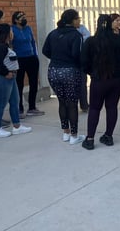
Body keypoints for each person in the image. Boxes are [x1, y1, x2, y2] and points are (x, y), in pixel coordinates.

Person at [80, 14, 120, 150]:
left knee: (94, 108)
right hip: (117, 77)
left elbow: (84, 62)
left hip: (99, 79)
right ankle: (108, 136)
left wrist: (92, 72)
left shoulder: (91, 41)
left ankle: (90, 139)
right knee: (112, 107)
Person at [42, 9, 85, 145]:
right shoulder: (76, 35)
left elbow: (45, 51)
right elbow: (76, 55)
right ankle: (74, 135)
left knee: (62, 101)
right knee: (72, 103)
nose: (79, 21)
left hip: (54, 70)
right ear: (72, 20)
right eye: (78, 18)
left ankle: (65, 132)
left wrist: (57, 58)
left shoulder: (53, 33)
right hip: (70, 71)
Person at [0, 24, 32, 138]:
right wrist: (5, 73)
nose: (13, 34)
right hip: (1, 78)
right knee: (0, 103)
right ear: (6, 33)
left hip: (10, 78)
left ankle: (17, 126)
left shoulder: (5, 46)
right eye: (11, 32)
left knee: (14, 101)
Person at [11, 11, 44, 118]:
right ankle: (19, 109)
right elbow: (10, 45)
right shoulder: (12, 30)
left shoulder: (28, 28)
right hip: (19, 59)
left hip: (31, 58)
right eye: (21, 17)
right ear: (16, 20)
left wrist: (35, 55)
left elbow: (32, 43)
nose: (24, 19)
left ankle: (32, 107)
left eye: (25, 16)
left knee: (34, 83)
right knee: (19, 84)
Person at [77, 23, 91, 112]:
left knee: (82, 83)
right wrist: (81, 38)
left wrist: (80, 38)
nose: (79, 21)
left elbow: (88, 36)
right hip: (70, 61)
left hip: (80, 58)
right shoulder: (68, 31)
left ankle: (84, 105)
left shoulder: (81, 27)